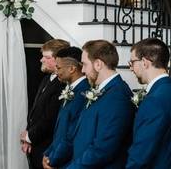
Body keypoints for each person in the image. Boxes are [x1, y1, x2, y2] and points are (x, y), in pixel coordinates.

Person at [63, 40, 134, 169]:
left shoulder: (118, 96)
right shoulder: (101, 90)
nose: (83, 70)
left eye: (84, 64)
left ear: (98, 64)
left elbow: (104, 148)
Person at [21, 39, 69, 169]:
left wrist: (29, 137)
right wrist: (28, 137)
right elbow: (36, 111)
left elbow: (50, 118)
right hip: (36, 143)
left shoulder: (63, 84)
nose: (41, 60)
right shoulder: (46, 79)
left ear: (59, 60)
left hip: (47, 145)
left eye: (46, 57)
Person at [126, 37, 171, 169]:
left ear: (144, 62)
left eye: (132, 62)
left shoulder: (155, 100)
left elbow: (142, 152)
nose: (131, 68)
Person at [42, 47, 89, 169]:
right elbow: (60, 129)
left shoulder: (83, 93)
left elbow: (71, 133)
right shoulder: (71, 89)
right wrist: (47, 153)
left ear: (72, 69)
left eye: (58, 68)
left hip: (67, 161)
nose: (56, 72)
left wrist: (53, 159)